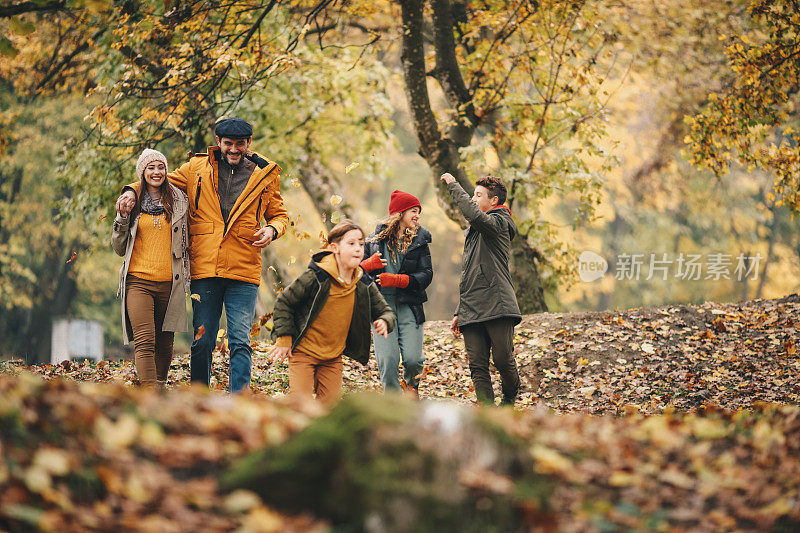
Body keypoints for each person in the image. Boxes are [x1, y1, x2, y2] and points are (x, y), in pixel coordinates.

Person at [115, 118, 289, 393]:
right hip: (205, 269)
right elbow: (156, 179)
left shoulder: (265, 173)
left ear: (248, 144)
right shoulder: (197, 167)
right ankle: (198, 396)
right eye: (228, 144)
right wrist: (129, 190)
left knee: (240, 340)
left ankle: (239, 399)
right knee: (202, 339)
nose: (234, 149)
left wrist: (272, 228)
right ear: (218, 143)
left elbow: (279, 214)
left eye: (239, 144)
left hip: (244, 267)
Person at [268, 220, 396, 406]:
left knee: (330, 409)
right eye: (351, 244)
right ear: (334, 248)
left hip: (332, 359)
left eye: (361, 244)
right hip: (303, 354)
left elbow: (385, 311)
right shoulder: (317, 276)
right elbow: (284, 301)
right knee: (301, 407)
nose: (358, 249)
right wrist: (284, 337)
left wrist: (384, 320)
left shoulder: (363, 282)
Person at [440, 172, 521, 406]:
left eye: (478, 195)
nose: (474, 199)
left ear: (493, 201)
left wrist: (454, 185)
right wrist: (459, 310)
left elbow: (473, 215)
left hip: (498, 303)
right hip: (471, 308)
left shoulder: (499, 223)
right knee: (477, 364)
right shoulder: (475, 233)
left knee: (503, 359)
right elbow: (471, 274)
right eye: (473, 195)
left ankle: (509, 398)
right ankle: (487, 410)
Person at [112, 148, 189, 388]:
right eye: (151, 167)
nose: (157, 172)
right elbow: (118, 247)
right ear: (142, 172)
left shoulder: (178, 200)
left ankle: (160, 387)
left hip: (170, 282)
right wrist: (122, 217)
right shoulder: (130, 201)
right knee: (145, 341)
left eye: (161, 167)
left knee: (165, 342)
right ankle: (149, 394)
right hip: (138, 281)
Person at [362, 190, 432, 395]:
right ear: (399, 213)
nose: (417, 215)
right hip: (381, 307)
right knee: (388, 360)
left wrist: (399, 280)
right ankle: (392, 403)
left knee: (413, 359)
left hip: (409, 305)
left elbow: (427, 274)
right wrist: (367, 265)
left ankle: (411, 391)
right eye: (413, 210)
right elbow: (352, 275)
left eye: (419, 211)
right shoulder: (372, 242)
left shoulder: (420, 241)